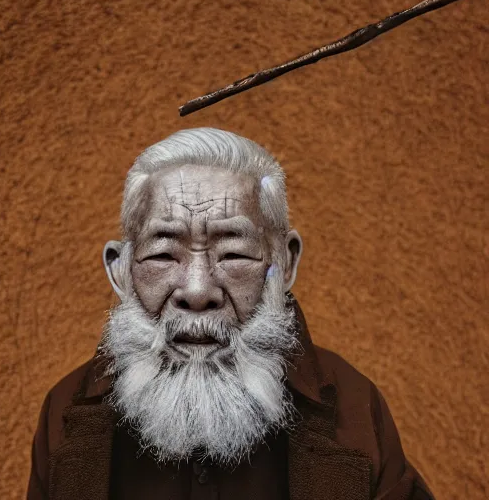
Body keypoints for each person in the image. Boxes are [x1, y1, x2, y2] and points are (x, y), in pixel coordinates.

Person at [27, 127, 435, 499]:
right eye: (164, 254)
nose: (198, 291)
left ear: (285, 263)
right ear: (120, 270)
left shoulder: (354, 406)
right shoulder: (66, 415)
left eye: (234, 253)